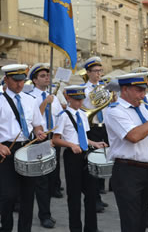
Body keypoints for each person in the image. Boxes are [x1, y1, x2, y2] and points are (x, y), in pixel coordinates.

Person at [0, 64, 47, 232]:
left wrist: (39, 133)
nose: (19, 84)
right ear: (6, 80)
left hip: (28, 147)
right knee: (8, 195)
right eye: (16, 81)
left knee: (27, 195)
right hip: (7, 150)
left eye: (22, 81)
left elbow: (37, 124)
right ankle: (6, 227)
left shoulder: (30, 100)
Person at [104, 72, 148, 232]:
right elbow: (133, 136)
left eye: (144, 90)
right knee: (131, 224)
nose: (143, 95)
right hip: (127, 171)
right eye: (138, 90)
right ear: (125, 89)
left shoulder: (143, 109)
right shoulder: (115, 110)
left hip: (147, 170)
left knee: (142, 223)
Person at [53, 85, 107, 232]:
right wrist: (70, 145)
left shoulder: (83, 114)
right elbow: (55, 140)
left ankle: (91, 228)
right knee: (74, 195)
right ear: (69, 99)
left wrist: (95, 143)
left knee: (91, 193)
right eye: (76, 100)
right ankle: (75, 228)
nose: (79, 102)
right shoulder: (63, 116)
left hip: (85, 155)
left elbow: (83, 137)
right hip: (72, 156)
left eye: (81, 99)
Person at [27, 63, 63, 228]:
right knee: (40, 179)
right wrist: (44, 103)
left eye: (48, 75)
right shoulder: (30, 97)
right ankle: (44, 215)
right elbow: (34, 118)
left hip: (52, 136)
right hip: (39, 137)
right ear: (34, 80)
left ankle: (46, 210)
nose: (47, 78)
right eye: (42, 76)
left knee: (51, 177)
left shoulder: (53, 95)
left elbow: (58, 116)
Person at [82, 56, 109, 212]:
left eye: (100, 71)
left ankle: (98, 194)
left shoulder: (105, 88)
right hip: (91, 127)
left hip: (104, 127)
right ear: (88, 72)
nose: (99, 74)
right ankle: (94, 198)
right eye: (96, 71)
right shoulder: (84, 90)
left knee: (103, 160)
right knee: (92, 163)